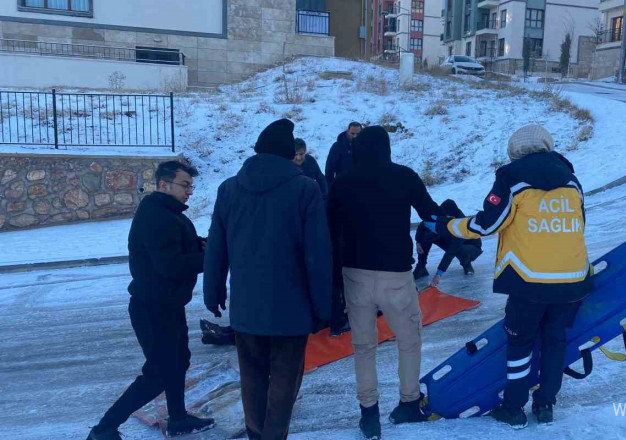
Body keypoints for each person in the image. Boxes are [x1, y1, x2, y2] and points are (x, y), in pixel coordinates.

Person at [427, 124, 590, 429]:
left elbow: (487, 225)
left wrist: (448, 225)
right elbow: (580, 223)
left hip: (529, 280)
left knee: (520, 343)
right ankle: (545, 406)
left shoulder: (511, 178)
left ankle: (513, 408)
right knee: (555, 342)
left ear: (515, 151)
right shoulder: (572, 180)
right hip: (572, 279)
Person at [203, 119, 332, 440]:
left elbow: (217, 244)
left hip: (246, 307)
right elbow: (317, 255)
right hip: (293, 308)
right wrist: (323, 307)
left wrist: (213, 289)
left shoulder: (229, 188)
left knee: (252, 377)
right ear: (289, 154)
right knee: (285, 381)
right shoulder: (305, 188)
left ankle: (255, 433)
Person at [327, 126, 441, 440]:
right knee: (409, 340)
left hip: (355, 274)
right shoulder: (404, 176)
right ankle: (407, 403)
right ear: (387, 148)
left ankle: (369, 415)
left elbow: (329, 231)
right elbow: (430, 213)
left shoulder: (342, 183)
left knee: (363, 347)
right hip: (396, 275)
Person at [88, 161, 215, 440]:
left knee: (178, 362)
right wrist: (211, 257)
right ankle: (103, 429)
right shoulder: (157, 216)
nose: (190, 191)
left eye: (191, 186)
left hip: (167, 304)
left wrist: (204, 244)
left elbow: (180, 247)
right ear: (163, 185)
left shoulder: (169, 213)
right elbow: (170, 265)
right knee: (158, 372)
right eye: (184, 185)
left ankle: (179, 419)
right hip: (152, 307)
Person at [413, 199, 483, 285]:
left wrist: (439, 274)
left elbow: (452, 250)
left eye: (447, 217)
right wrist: (418, 241)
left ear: (452, 217)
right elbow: (423, 224)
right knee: (428, 233)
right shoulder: (441, 215)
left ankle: (466, 264)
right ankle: (421, 266)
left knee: (460, 250)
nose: (444, 218)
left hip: (471, 247)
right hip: (452, 241)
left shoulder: (461, 225)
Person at [325, 121, 362, 189]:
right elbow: (329, 171)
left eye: (358, 134)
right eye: (352, 133)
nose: (355, 136)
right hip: (342, 187)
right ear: (347, 132)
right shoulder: (337, 147)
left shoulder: (366, 147)